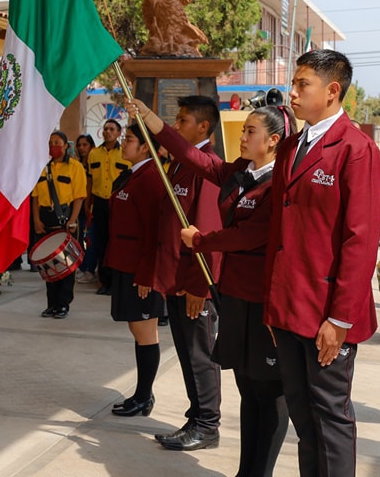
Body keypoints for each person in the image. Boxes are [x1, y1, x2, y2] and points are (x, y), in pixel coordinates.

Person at [136, 100, 292, 476]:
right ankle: (246, 470)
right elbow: (196, 159)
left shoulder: (280, 182)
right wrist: (154, 123)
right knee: (247, 387)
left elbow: (249, 235)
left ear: (273, 140)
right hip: (236, 296)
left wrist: (201, 241)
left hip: (264, 299)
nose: (242, 136)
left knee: (268, 391)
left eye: (250, 131)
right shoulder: (242, 172)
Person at [263, 50, 380, 477]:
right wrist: (272, 304)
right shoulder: (294, 145)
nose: (292, 93)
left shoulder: (356, 150)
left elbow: (360, 241)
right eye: (293, 84)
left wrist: (340, 317)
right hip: (289, 308)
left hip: (327, 314)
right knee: (303, 416)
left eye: (302, 84)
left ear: (333, 91)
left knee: (330, 416)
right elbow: (280, 230)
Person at [142, 95, 224, 452]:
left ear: (203, 127)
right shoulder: (179, 164)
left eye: (183, 121)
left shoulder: (209, 168)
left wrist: (199, 287)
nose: (176, 127)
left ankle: (208, 425)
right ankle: (195, 418)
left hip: (194, 285)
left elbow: (207, 232)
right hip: (176, 280)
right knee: (187, 353)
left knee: (201, 356)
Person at [104, 122, 165, 417]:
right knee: (136, 328)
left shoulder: (151, 178)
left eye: (128, 139)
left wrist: (147, 274)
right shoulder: (132, 176)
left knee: (145, 331)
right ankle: (142, 394)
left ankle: (143, 396)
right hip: (125, 264)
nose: (123, 144)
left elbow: (156, 233)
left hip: (140, 270)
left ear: (145, 147)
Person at [31, 130, 86, 319]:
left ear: (65, 146)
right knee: (48, 264)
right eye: (50, 142)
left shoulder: (75, 167)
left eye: (56, 142)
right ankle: (51, 304)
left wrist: (72, 221)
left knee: (65, 264)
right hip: (45, 219)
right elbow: (35, 198)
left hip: (66, 217)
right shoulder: (41, 167)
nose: (53, 145)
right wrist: (36, 220)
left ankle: (63, 304)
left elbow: (79, 197)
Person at [84, 119, 130, 295]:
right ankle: (104, 282)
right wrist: (88, 204)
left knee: (117, 242)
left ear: (119, 133)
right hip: (100, 203)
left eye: (112, 129)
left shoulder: (125, 154)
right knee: (101, 243)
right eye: (105, 129)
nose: (108, 132)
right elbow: (90, 181)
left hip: (119, 203)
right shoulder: (94, 154)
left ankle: (118, 283)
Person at [73, 134, 96, 283]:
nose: (82, 148)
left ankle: (90, 268)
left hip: (93, 204)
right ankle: (81, 267)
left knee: (92, 238)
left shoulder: (94, 163)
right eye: (79, 145)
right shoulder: (75, 164)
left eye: (85, 145)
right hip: (78, 205)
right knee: (79, 237)